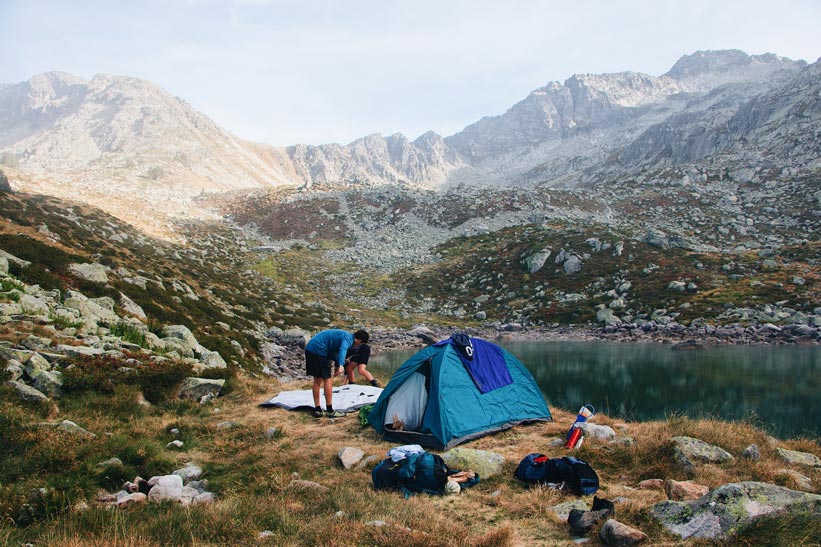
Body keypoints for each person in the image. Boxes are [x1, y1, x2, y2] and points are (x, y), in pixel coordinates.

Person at [304, 329, 369, 418]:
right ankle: (330, 411)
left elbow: (331, 352)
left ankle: (318, 410)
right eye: (361, 344)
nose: (358, 346)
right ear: (359, 340)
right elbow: (343, 349)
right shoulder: (348, 339)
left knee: (317, 379)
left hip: (310, 349)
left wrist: (338, 362)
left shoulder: (345, 334)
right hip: (319, 350)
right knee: (328, 380)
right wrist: (341, 364)